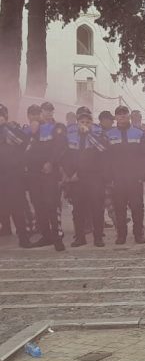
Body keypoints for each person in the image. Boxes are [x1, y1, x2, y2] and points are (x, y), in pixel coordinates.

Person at [62, 110, 109, 247]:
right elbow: (65, 157)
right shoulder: (71, 137)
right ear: (77, 123)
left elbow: (103, 150)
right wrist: (70, 174)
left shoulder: (97, 136)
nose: (85, 124)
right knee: (78, 210)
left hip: (94, 178)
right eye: (82, 122)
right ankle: (80, 237)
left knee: (97, 208)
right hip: (76, 179)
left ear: (92, 124)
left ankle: (98, 237)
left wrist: (89, 133)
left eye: (88, 122)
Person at [25, 104, 67, 251]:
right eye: (43, 111)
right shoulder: (29, 130)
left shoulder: (56, 128)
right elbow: (23, 149)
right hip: (33, 174)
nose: (45, 114)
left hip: (49, 173)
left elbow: (60, 147)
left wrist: (51, 162)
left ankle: (57, 238)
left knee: (51, 204)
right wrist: (33, 132)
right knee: (38, 205)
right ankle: (46, 235)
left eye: (50, 111)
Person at [106, 106, 145, 245]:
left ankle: (138, 234)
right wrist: (109, 177)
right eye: (119, 115)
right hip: (117, 178)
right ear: (116, 117)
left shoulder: (138, 133)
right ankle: (121, 235)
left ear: (129, 116)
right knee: (119, 208)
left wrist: (143, 175)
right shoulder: (109, 134)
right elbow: (105, 158)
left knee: (137, 207)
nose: (122, 117)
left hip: (134, 178)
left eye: (124, 114)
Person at [0, 104, 33, 247]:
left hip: (13, 175)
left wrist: (6, 127)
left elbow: (25, 142)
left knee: (17, 207)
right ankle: (5, 228)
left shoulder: (13, 130)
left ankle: (23, 237)